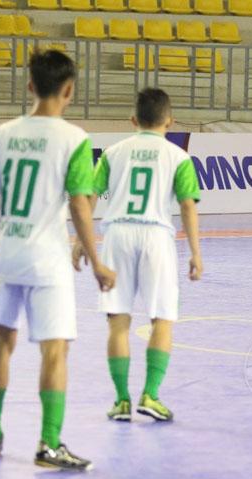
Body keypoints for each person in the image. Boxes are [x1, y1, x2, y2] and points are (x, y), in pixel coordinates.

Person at [0, 50, 115, 470]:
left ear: (30, 86)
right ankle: (49, 445)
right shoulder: (74, 139)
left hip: (6, 255)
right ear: (69, 90)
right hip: (47, 259)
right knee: (55, 350)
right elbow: (80, 205)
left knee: (2, 341)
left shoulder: (2, 135)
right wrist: (97, 260)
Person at [73, 87, 202, 423]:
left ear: (133, 120)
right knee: (162, 319)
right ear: (170, 121)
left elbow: (89, 197)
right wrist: (195, 254)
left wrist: (79, 242)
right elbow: (187, 205)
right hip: (156, 236)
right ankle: (151, 395)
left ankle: (121, 401)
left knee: (118, 322)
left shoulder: (113, 153)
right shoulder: (179, 157)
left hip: (117, 235)